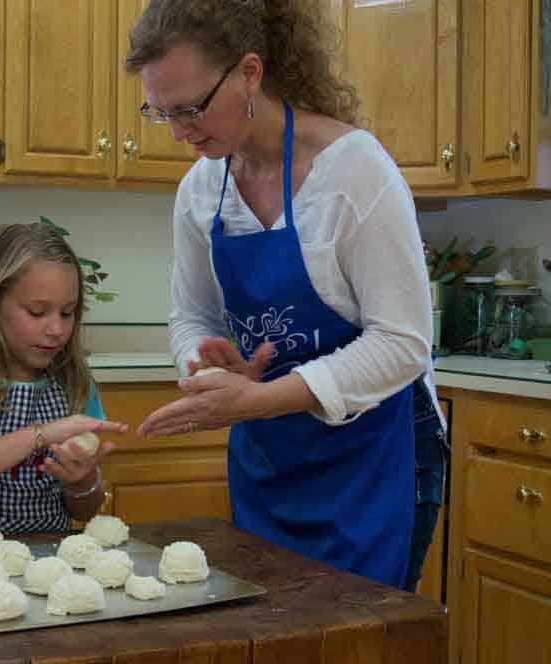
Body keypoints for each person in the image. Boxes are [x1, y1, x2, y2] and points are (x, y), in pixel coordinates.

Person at [127, 0, 447, 590]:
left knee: (359, 628)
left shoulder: (355, 175)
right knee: (268, 623)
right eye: (161, 112)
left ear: (250, 73)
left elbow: (403, 344)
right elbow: (191, 315)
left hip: (374, 460)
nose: (178, 131)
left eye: (192, 107)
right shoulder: (201, 191)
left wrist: (258, 400)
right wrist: (202, 360)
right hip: (271, 462)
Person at [0, 223, 127, 537]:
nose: (56, 330)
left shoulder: (75, 381)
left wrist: (82, 482)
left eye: (67, 313)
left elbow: (84, 510)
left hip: (48, 557)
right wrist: (42, 435)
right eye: (37, 312)